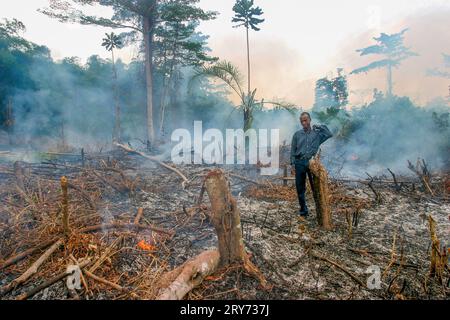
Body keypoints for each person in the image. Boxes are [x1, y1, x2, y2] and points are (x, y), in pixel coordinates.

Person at [291, 112, 333, 217]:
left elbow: (329, 134)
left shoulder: (317, 134)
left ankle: (320, 210)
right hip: (299, 162)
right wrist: (292, 164)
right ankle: (303, 211)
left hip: (312, 163)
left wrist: (319, 126)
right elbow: (292, 150)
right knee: (300, 188)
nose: (303, 122)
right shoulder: (297, 134)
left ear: (310, 120)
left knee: (315, 187)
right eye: (302, 121)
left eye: (305, 120)